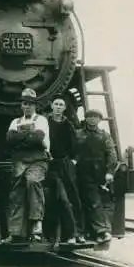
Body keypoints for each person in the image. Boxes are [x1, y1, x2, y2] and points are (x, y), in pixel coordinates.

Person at [4, 88, 50, 243]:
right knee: (16, 193)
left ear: (35, 106)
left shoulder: (42, 120)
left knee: (33, 182)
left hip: (37, 161)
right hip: (19, 161)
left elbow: (37, 139)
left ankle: (37, 226)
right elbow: (10, 140)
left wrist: (20, 138)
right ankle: (15, 232)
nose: (27, 106)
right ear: (21, 106)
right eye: (25, 104)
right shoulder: (14, 121)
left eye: (30, 104)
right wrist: (29, 136)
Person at [44, 96, 85, 244]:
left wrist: (73, 161)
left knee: (73, 196)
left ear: (65, 108)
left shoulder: (68, 124)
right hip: (50, 164)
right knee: (61, 198)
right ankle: (67, 233)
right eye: (56, 104)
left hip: (65, 164)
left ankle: (77, 233)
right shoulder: (45, 122)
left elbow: (76, 144)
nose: (58, 107)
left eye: (61, 105)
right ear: (51, 106)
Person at [76, 109, 117, 244]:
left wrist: (110, 172)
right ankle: (98, 231)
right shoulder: (78, 134)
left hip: (99, 174)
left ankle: (100, 232)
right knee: (88, 202)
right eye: (90, 117)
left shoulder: (104, 136)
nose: (92, 119)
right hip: (81, 173)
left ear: (99, 120)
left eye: (95, 117)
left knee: (97, 203)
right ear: (86, 119)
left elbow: (112, 154)